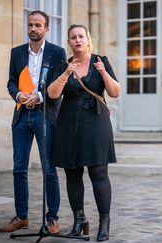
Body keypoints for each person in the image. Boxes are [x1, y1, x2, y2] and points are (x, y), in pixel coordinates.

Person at [47, 24, 120, 241]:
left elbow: (115, 92)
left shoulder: (101, 60)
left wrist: (103, 72)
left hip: (96, 122)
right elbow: (52, 94)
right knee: (72, 172)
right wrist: (65, 74)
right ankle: (79, 220)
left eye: (81, 36)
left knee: (98, 172)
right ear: (69, 42)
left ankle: (104, 223)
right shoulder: (63, 64)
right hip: (68, 123)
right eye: (73, 37)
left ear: (88, 39)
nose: (77, 40)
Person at [0, 10, 66, 234]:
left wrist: (37, 96)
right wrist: (19, 95)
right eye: (30, 25)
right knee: (19, 168)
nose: (34, 29)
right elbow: (11, 82)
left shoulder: (57, 53)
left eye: (38, 25)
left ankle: (53, 219)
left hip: (44, 114)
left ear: (46, 29)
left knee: (49, 169)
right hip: (21, 116)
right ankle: (21, 217)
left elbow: (59, 85)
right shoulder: (16, 52)